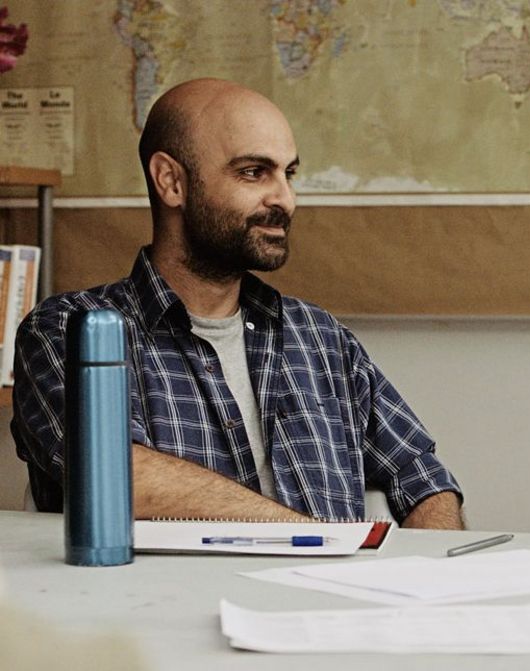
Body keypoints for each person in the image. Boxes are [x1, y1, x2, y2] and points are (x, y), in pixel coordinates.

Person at [12, 78, 464, 528]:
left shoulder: (322, 340)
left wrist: (433, 580)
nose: (284, 199)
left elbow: (422, 478)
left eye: (288, 174)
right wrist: (316, 540)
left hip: (328, 598)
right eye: (253, 172)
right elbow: (111, 472)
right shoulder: (73, 330)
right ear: (171, 182)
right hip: (160, 600)